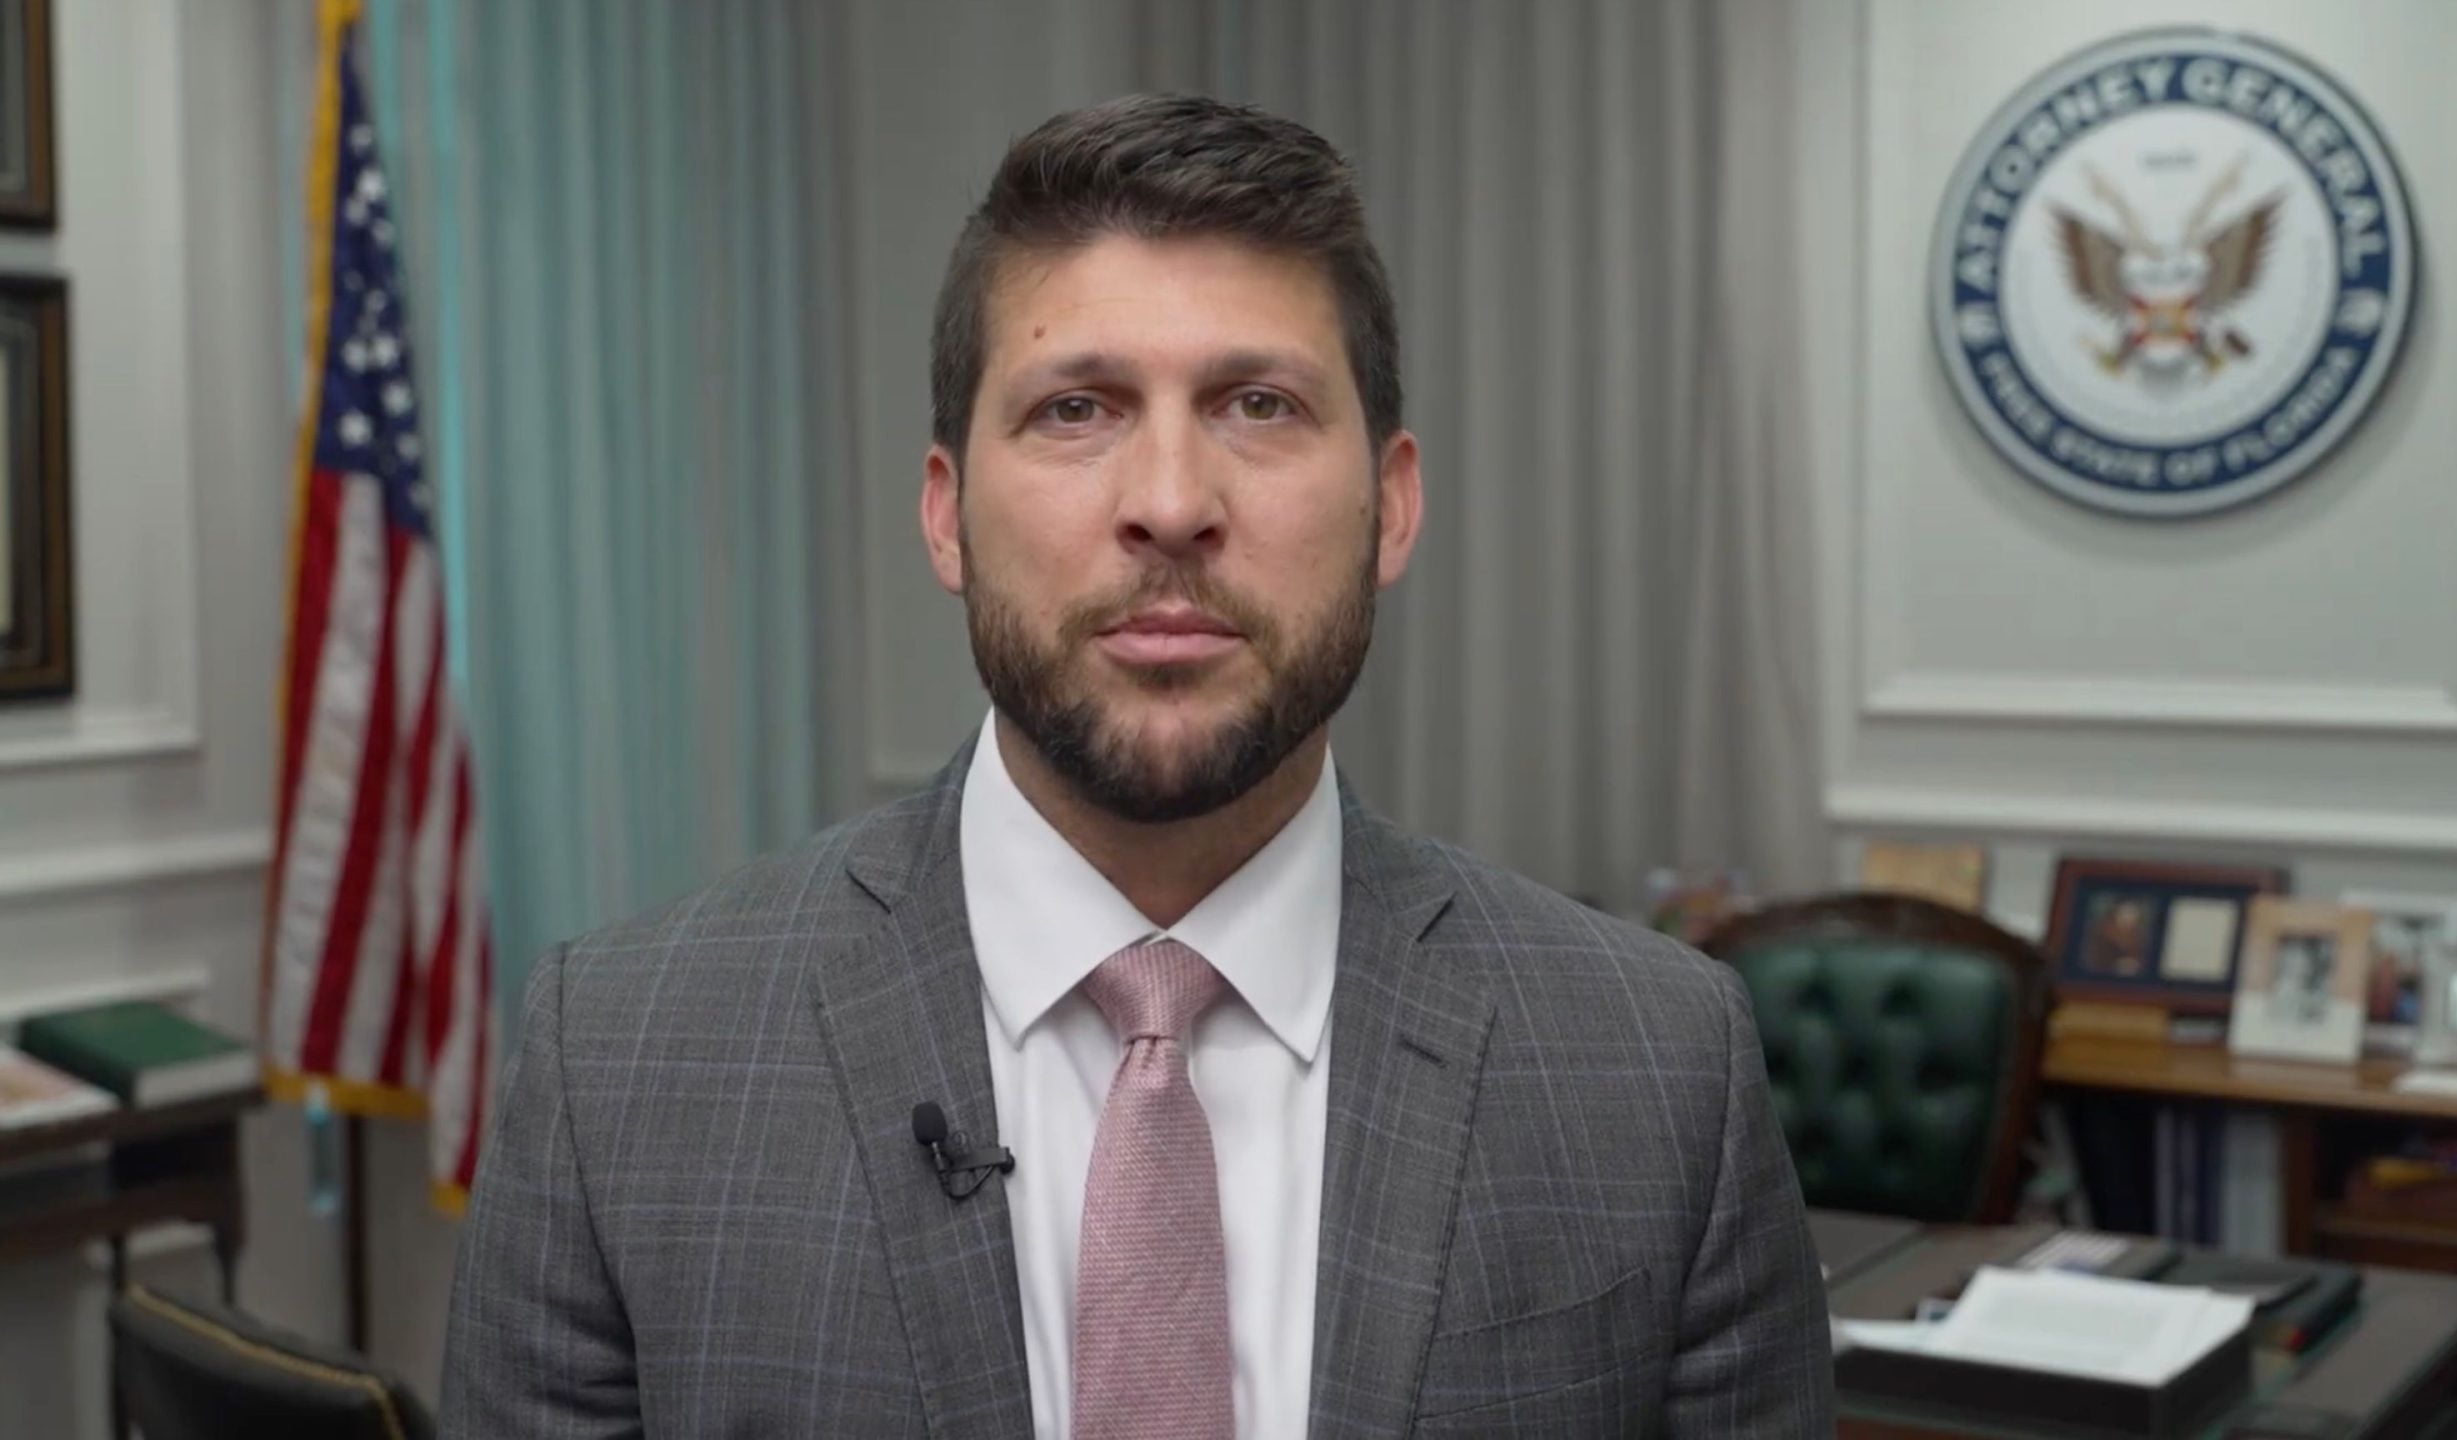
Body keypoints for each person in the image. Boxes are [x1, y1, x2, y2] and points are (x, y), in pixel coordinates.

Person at [443, 93, 1830, 1438]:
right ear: (947, 516)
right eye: (1076, 409)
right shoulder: (620, 1065)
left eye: (1260, 405)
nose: (1170, 504)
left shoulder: (1658, 1071)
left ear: (1392, 505)